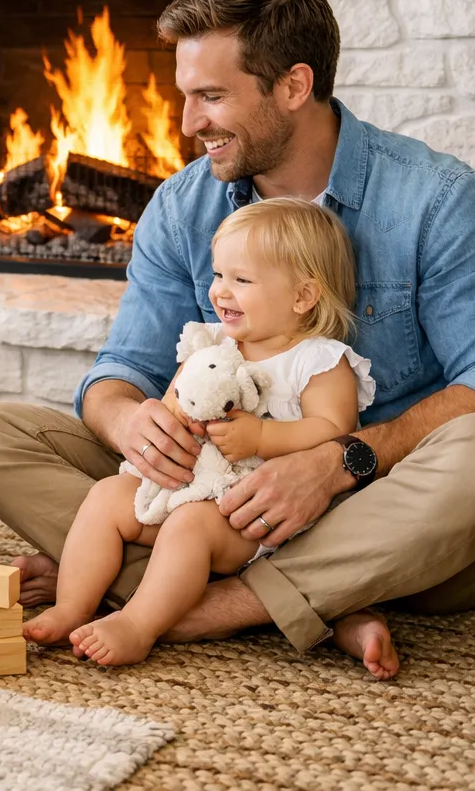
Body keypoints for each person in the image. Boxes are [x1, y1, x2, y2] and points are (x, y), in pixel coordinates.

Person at [0, 0, 475, 675]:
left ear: (294, 86)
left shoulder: (440, 201)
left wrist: (337, 463)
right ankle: (318, 602)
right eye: (183, 96)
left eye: (210, 96)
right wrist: (128, 424)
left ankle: (200, 606)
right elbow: (122, 370)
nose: (185, 123)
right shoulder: (181, 206)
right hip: (221, 499)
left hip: (381, 508)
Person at [25, 199, 382, 671]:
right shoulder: (212, 343)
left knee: (189, 527)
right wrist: (172, 416)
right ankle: (73, 605)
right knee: (108, 496)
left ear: (303, 296)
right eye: (218, 276)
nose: (220, 292)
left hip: (255, 515)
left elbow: (333, 431)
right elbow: (179, 402)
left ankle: (139, 623)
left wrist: (260, 439)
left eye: (242, 280)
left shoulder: (317, 360)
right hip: (191, 485)